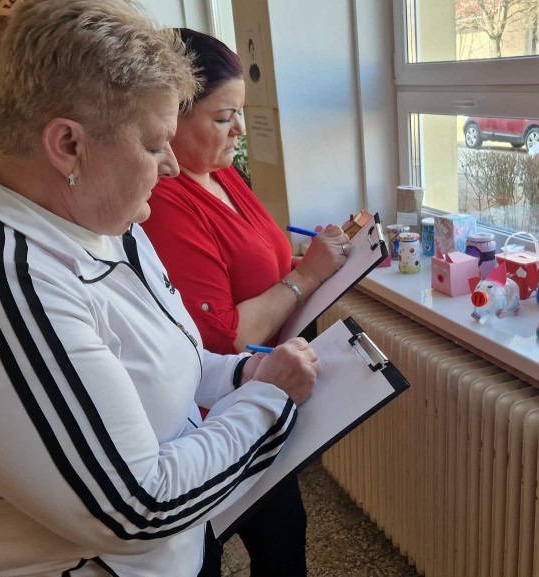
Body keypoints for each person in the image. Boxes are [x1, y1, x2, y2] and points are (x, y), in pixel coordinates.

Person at [0, 2, 319, 576]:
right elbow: (137, 509)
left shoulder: (101, 216)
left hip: (176, 549)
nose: (170, 166)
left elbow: (170, 354)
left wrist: (243, 373)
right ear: (68, 146)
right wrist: (272, 399)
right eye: (153, 145)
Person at [141, 28, 350, 577]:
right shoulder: (166, 202)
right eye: (222, 117)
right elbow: (224, 336)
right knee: (238, 541)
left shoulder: (222, 174)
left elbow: (255, 264)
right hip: (221, 415)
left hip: (262, 391)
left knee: (284, 533)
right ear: (170, 119)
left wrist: (312, 263)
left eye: (240, 113)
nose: (239, 129)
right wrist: (308, 275)